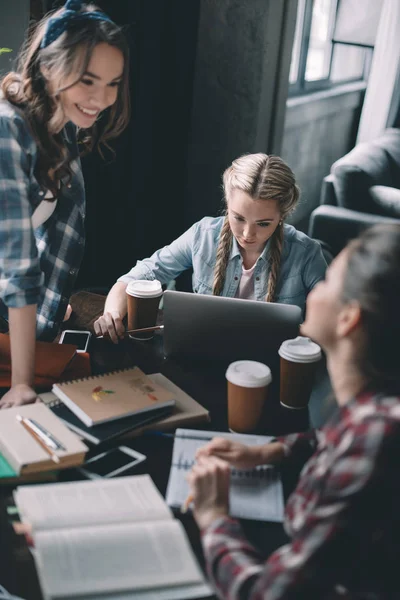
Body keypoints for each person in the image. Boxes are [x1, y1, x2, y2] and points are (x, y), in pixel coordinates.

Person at [188, 223, 400, 599]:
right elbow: (335, 438)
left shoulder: (378, 438)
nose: (313, 290)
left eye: (327, 282)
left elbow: (267, 594)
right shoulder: (375, 410)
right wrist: (270, 450)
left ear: (348, 318)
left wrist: (214, 516)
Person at [0, 0, 130, 409]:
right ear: (49, 67)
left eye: (113, 83)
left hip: (23, 315)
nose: (102, 98)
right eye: (88, 81)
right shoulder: (7, 129)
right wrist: (22, 384)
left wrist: (51, 304)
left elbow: (51, 235)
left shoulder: (59, 123)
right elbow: (17, 267)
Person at [94, 153, 327, 342]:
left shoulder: (305, 253)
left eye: (263, 224)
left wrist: (306, 334)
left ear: (282, 216)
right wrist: (112, 313)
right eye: (238, 218)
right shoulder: (203, 235)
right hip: (204, 353)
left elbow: (336, 316)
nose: (247, 234)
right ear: (227, 203)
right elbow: (141, 274)